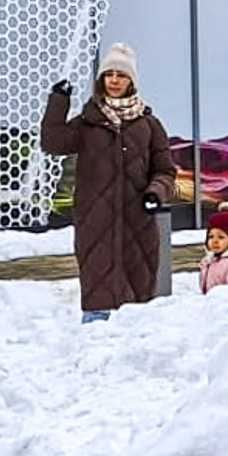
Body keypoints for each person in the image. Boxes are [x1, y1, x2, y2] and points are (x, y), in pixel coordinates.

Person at [40, 43, 178, 321]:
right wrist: (58, 102)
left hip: (137, 225)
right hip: (96, 225)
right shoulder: (88, 122)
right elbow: (52, 142)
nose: (114, 80)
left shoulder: (149, 126)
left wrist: (155, 193)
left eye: (121, 75)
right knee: (98, 299)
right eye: (109, 74)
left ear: (132, 81)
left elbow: (165, 171)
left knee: (136, 305)